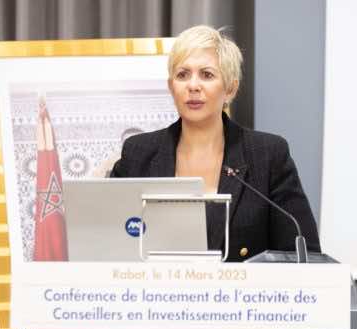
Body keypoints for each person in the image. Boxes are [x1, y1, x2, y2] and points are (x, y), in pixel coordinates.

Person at [111, 25, 320, 262]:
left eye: (207, 75)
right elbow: (105, 240)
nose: (193, 86)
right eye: (182, 75)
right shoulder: (139, 153)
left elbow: (305, 256)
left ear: (230, 89)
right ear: (171, 87)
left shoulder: (267, 155)